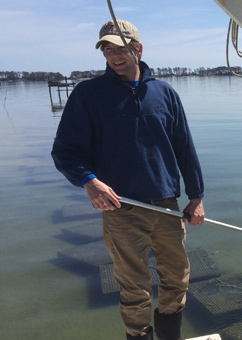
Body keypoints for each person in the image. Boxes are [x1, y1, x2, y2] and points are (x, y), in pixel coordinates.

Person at [51, 19, 205, 340]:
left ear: (138, 48)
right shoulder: (88, 94)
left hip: (166, 206)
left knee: (177, 281)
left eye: (121, 48)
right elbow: (65, 151)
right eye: (107, 49)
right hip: (121, 210)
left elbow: (184, 148)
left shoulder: (165, 93)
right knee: (134, 290)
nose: (114, 56)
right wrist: (90, 181)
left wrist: (196, 196)